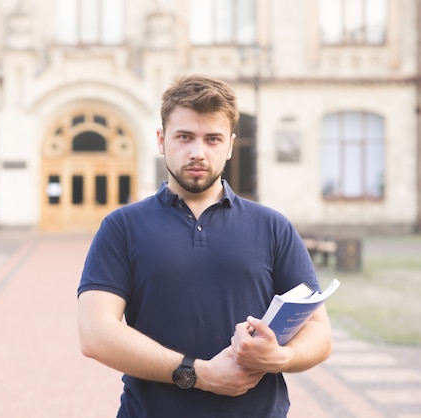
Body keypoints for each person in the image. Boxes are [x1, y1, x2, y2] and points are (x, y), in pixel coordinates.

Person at [77, 75, 332, 417]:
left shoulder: (272, 226)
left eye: (213, 139)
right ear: (161, 139)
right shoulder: (121, 227)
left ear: (229, 146)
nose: (198, 152)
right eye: (185, 137)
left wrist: (280, 357)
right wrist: (197, 374)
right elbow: (95, 333)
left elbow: (319, 330)